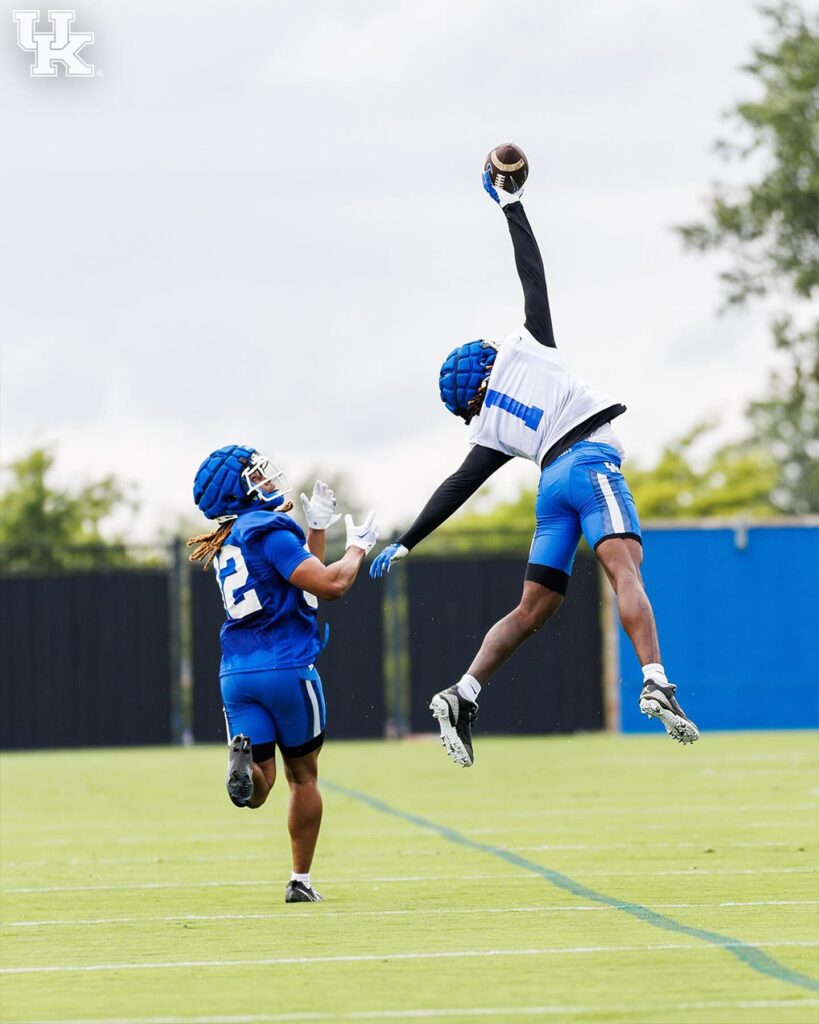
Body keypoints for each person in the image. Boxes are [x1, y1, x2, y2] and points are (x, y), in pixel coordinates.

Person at [369, 165, 699, 767]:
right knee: (626, 572)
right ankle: (655, 679)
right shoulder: (529, 348)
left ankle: (463, 692)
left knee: (535, 607)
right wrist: (511, 205)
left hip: (551, 487)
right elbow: (532, 273)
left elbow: (456, 487)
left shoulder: (491, 428)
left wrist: (408, 542)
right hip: (590, 456)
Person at [189, 444, 378, 901]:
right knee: (304, 777)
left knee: (262, 784)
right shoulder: (267, 530)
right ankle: (301, 881)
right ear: (240, 490)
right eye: (257, 475)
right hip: (287, 668)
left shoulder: (228, 539)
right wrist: (356, 549)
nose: (269, 480)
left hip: (237, 674)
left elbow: (301, 591)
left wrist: (315, 530)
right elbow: (329, 586)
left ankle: (243, 769)